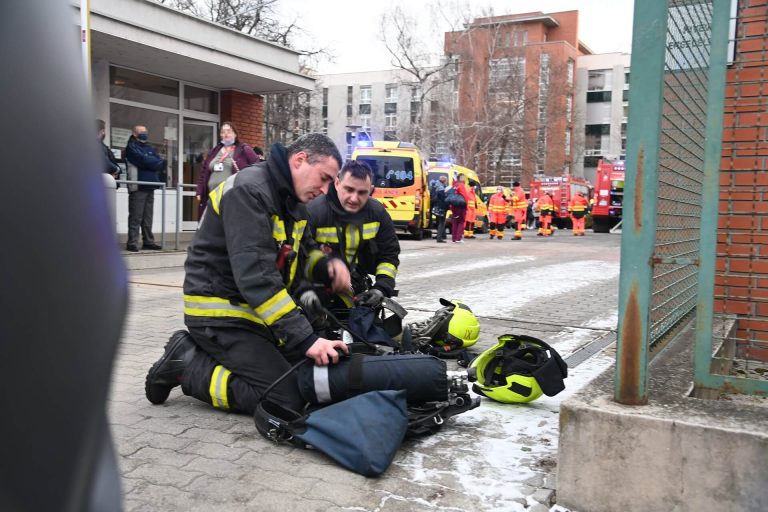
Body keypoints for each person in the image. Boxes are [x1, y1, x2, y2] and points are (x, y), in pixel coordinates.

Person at [144, 133, 352, 415]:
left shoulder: (293, 204)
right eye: (325, 178)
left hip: (252, 314)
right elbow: (256, 278)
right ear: (300, 160)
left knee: (304, 376)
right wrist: (305, 339)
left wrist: (327, 267)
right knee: (285, 398)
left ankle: (200, 356)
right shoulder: (250, 190)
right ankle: (186, 363)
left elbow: (305, 252)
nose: (326, 190)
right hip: (221, 316)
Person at [305, 159, 400, 317]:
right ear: (336, 184)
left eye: (362, 192)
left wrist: (381, 288)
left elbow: (389, 256)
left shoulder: (377, 213)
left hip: (359, 293)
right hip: (317, 295)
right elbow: (300, 257)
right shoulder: (314, 212)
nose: (354, 198)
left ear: (371, 190)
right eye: (349, 189)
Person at [196, 122, 260, 218]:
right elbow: (203, 172)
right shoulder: (214, 151)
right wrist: (200, 191)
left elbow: (257, 167)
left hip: (232, 197)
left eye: (229, 131)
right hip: (213, 196)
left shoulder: (244, 150)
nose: (225, 134)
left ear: (235, 134)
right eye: (223, 132)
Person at [125, 125, 166, 252]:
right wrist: (151, 162)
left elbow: (159, 162)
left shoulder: (149, 147)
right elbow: (142, 160)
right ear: (134, 133)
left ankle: (148, 241)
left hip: (150, 186)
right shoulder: (131, 147)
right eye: (142, 132)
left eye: (146, 132)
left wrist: (151, 162)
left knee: (148, 217)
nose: (145, 134)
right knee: (136, 216)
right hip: (138, 186)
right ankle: (132, 242)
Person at [450, 173, 472, 243]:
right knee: (461, 222)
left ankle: (454, 238)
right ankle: (458, 238)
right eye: (463, 177)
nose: (464, 179)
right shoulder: (461, 185)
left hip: (454, 205)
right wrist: (466, 205)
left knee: (455, 222)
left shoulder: (454, 185)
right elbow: (465, 196)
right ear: (459, 178)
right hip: (460, 206)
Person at [432, 175, 449, 243]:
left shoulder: (435, 185)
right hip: (441, 207)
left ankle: (442, 235)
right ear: (444, 181)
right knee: (442, 222)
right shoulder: (441, 188)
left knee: (439, 221)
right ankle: (439, 238)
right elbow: (443, 199)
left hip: (436, 206)